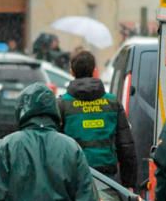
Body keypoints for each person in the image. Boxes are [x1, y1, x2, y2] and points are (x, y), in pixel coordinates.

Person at [58, 50, 137, 189]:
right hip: (106, 178)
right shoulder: (112, 103)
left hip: (74, 177)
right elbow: (125, 146)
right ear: (95, 71)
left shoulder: (63, 104)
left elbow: (54, 146)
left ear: (71, 72)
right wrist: (128, 183)